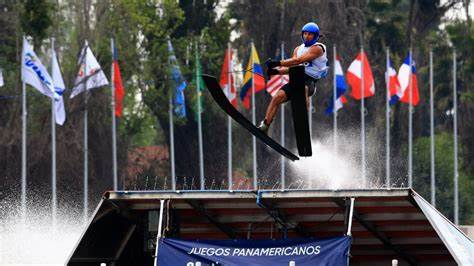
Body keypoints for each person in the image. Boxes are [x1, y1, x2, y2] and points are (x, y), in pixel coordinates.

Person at [257, 22, 329, 134]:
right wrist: (276, 71)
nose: (307, 36)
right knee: (277, 97)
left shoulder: (319, 48)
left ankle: (303, 122)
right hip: (296, 77)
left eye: (310, 34)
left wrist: (277, 62)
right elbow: (294, 66)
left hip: (309, 81)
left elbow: (298, 61)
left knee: (303, 89)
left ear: (315, 36)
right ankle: (265, 125)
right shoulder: (297, 49)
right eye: (305, 34)